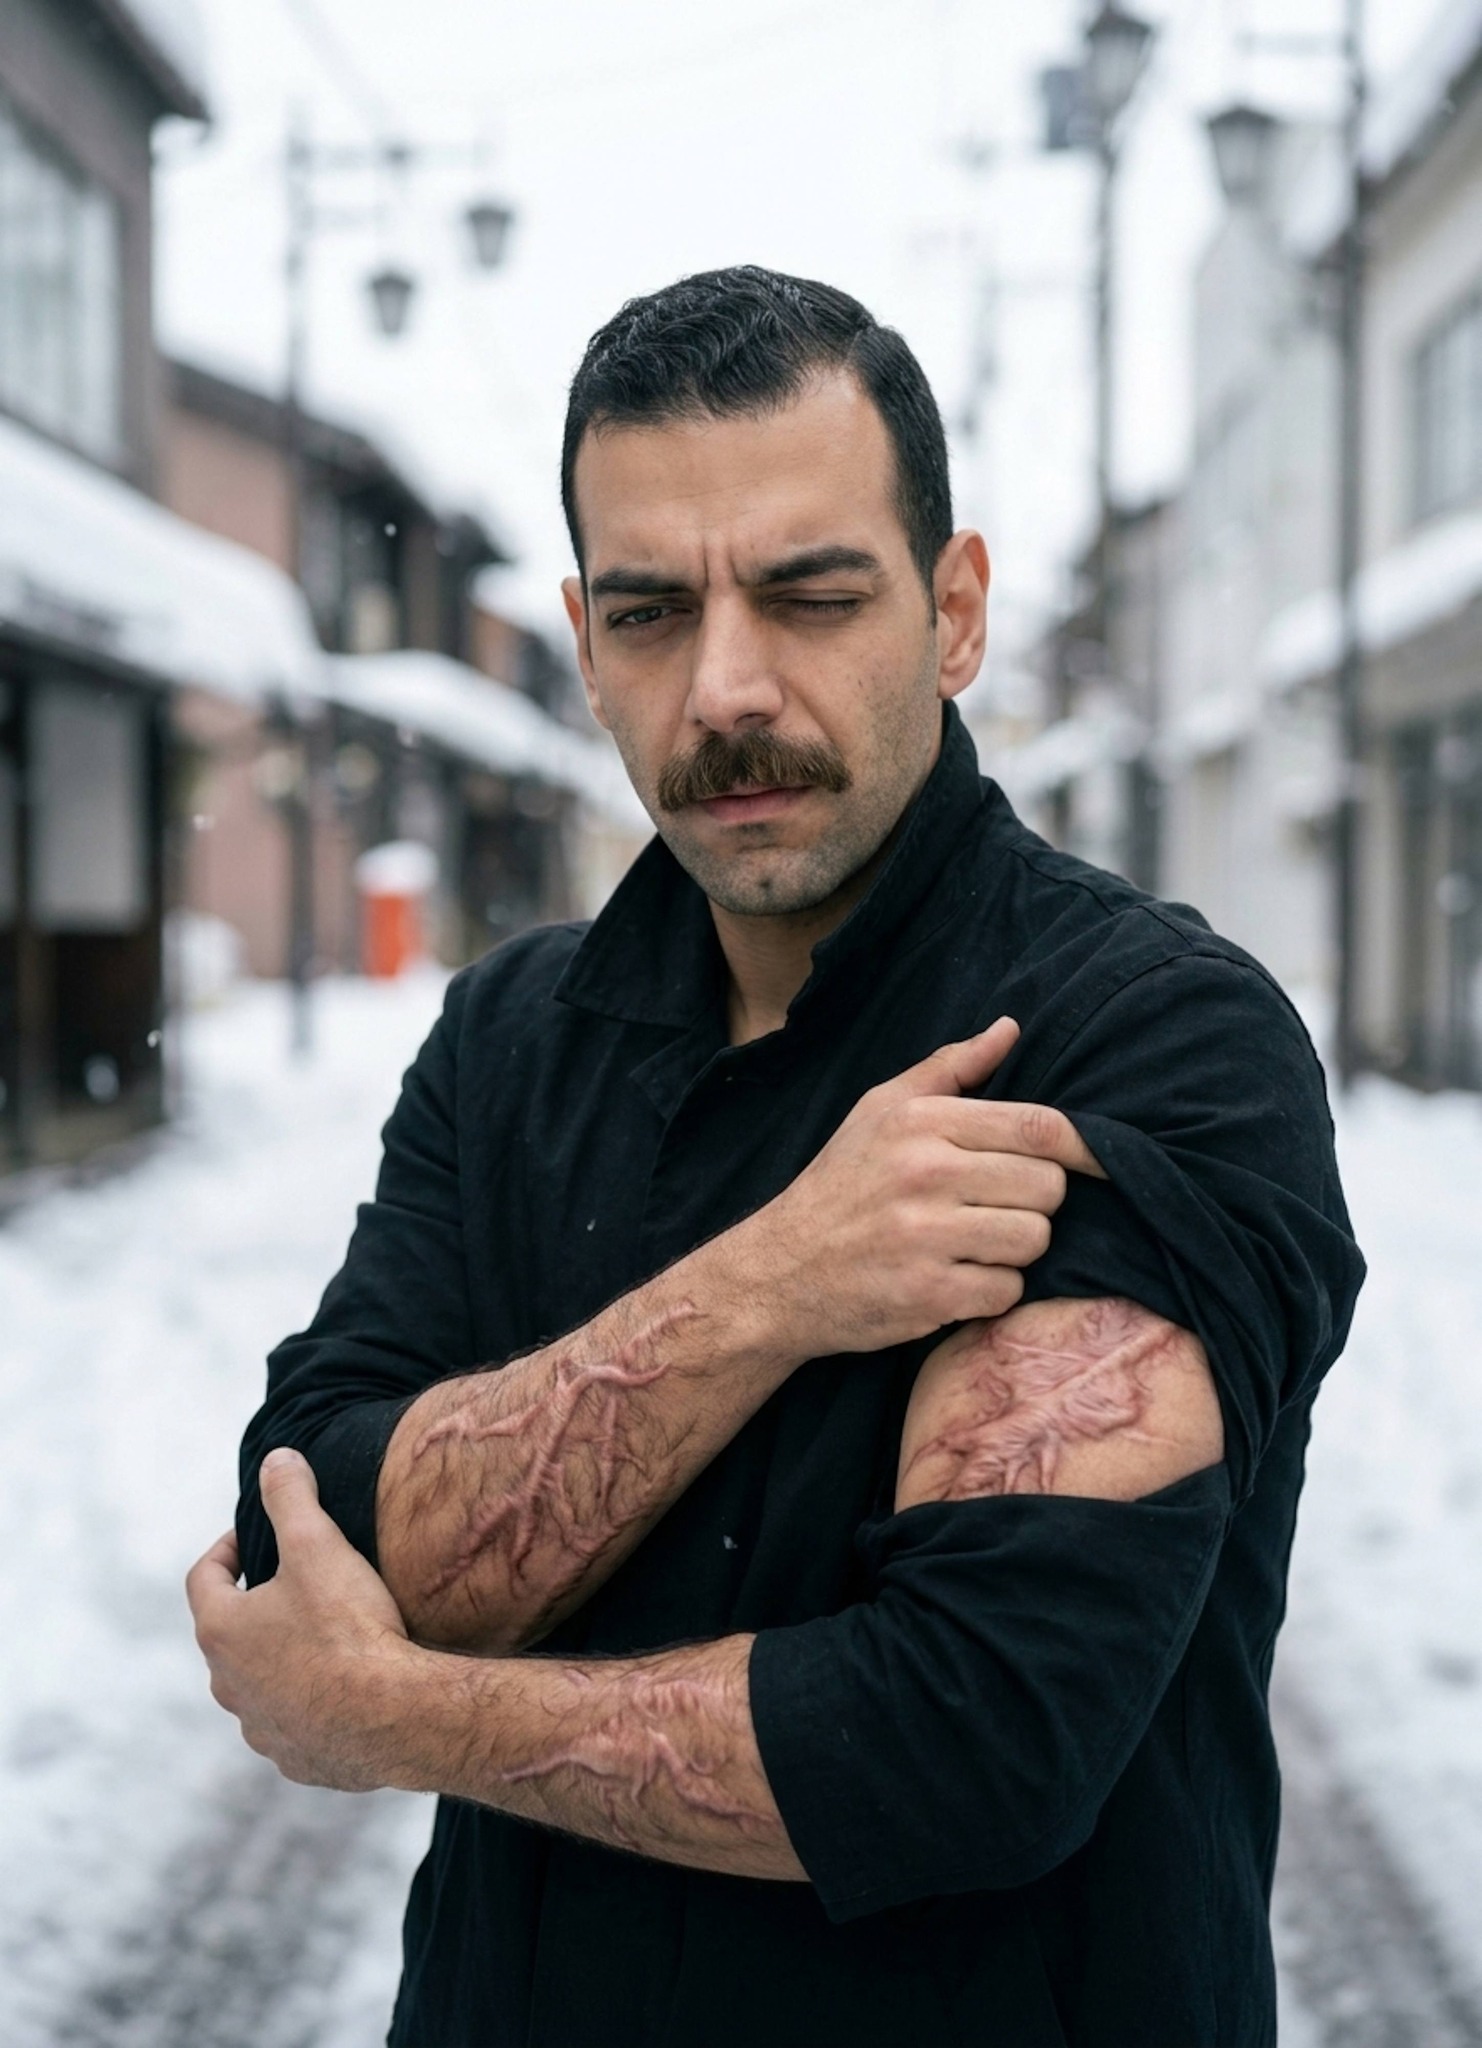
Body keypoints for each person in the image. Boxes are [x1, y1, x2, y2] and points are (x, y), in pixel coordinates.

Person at [189, 266, 1364, 2048]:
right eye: (652, 614)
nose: (725, 689)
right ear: (584, 641)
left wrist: (404, 1718)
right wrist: (771, 1286)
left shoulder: (1153, 1040)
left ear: (953, 612)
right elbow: (318, 1537)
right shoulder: (511, 1040)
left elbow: (968, 1740)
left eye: (813, 595)